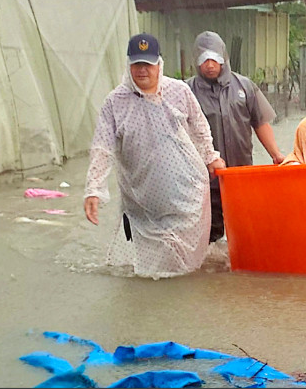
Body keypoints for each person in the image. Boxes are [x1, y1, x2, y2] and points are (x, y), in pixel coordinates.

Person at [83, 33, 226, 279]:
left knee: (185, 269)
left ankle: (179, 307)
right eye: (137, 64)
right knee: (150, 271)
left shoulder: (179, 91)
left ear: (159, 64)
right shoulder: (115, 102)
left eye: (148, 64)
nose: (142, 70)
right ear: (129, 65)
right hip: (142, 201)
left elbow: (200, 127)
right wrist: (94, 189)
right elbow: (102, 147)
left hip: (187, 194)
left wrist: (211, 156)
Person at [186, 31, 285, 243]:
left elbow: (260, 122)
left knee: (245, 233)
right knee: (208, 238)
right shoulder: (186, 91)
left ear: (223, 57)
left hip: (241, 176)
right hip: (204, 181)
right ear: (196, 61)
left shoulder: (245, 86)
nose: (210, 65)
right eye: (204, 59)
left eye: (215, 58)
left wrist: (276, 154)